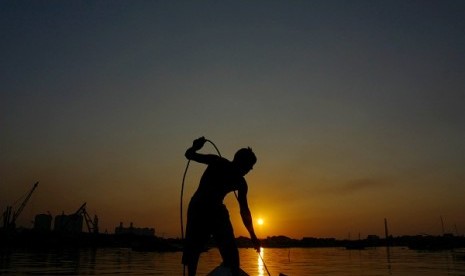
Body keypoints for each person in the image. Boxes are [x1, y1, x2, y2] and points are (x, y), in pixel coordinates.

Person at [182, 137, 261, 276]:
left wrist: (253, 236)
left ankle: (234, 272)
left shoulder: (241, 183)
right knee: (193, 250)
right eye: (248, 167)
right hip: (198, 207)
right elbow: (189, 155)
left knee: (232, 255)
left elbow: (244, 211)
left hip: (217, 211)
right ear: (240, 162)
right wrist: (195, 147)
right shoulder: (217, 162)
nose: (249, 170)